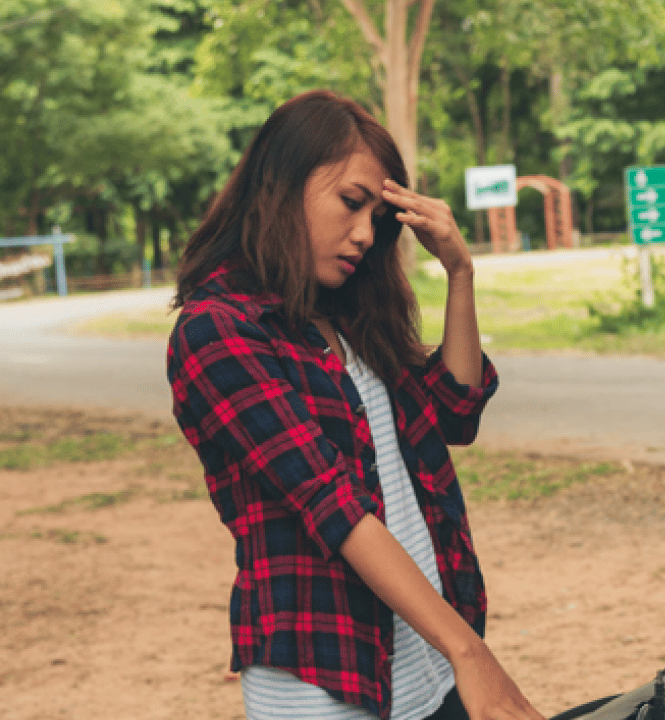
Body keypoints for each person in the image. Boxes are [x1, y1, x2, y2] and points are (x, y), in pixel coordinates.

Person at [167, 90, 542, 720]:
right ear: (277, 183)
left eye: (379, 217)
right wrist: (472, 653)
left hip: (425, 660)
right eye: (351, 203)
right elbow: (333, 504)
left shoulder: (347, 315)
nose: (367, 235)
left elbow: (457, 413)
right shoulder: (216, 331)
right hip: (327, 683)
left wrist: (460, 274)